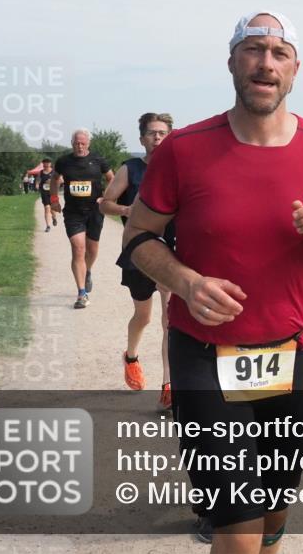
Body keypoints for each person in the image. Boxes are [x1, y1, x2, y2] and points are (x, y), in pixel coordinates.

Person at [120, 10, 303, 553]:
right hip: (202, 354)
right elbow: (136, 236)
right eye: (254, 50)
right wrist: (184, 281)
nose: (266, 63)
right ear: (232, 62)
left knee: (273, 514)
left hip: (286, 354)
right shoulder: (184, 148)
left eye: (279, 54)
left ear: (296, 69)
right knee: (236, 522)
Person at [98, 113, 176, 411]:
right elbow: (105, 204)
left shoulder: (180, 168)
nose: (157, 138)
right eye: (152, 133)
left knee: (171, 321)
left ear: (171, 136)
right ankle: (131, 356)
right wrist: (128, 210)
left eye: (162, 133)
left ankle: (169, 387)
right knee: (142, 317)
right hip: (139, 253)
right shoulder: (130, 169)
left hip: (171, 252)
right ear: (142, 138)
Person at [50, 129, 114, 309]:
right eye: (76, 143)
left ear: (88, 144)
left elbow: (112, 178)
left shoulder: (99, 160)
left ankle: (87, 271)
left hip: (95, 210)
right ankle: (81, 294)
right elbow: (55, 179)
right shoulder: (64, 161)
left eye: (83, 143)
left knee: (92, 250)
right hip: (73, 212)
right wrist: (54, 200)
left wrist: (107, 198)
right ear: (72, 143)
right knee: (78, 248)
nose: (79, 146)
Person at [32, 158, 59, 232]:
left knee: (52, 209)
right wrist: (37, 185)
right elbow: (37, 180)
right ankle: (48, 226)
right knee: (47, 208)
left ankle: (54, 217)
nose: (46, 164)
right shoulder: (41, 172)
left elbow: (60, 180)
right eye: (44, 163)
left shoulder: (54, 172)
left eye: (47, 163)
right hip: (44, 192)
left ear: (50, 164)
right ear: (43, 164)